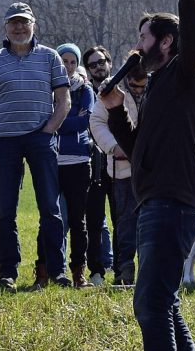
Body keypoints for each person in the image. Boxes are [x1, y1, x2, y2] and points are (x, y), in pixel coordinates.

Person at [99, 0, 195, 351]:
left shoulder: (189, 74)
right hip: (155, 202)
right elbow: (138, 149)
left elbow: (194, 34)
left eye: (143, 37)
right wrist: (115, 112)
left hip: (174, 203)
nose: (138, 44)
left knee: (149, 306)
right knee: (164, 302)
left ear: (165, 42)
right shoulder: (160, 87)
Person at [0, 2, 72, 292]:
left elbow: (64, 101)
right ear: (5, 28)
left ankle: (57, 272)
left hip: (40, 138)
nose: (19, 28)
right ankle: (7, 274)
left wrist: (48, 131)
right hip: (4, 142)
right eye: (13, 23)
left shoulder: (50, 57)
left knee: (49, 207)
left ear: (34, 25)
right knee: (5, 210)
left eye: (24, 22)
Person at [34, 42, 93, 288]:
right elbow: (40, 119)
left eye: (72, 61)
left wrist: (57, 120)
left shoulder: (85, 90)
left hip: (78, 162)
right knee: (48, 217)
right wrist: (68, 117)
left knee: (78, 221)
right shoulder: (44, 89)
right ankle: (43, 271)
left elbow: (83, 123)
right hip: (50, 160)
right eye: (63, 60)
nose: (68, 66)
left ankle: (79, 272)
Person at [89, 60, 147, 286]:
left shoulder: (159, 87)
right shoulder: (111, 88)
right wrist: (115, 147)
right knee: (124, 220)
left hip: (151, 170)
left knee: (150, 220)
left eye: (143, 86)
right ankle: (124, 269)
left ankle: (147, 267)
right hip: (122, 169)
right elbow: (97, 122)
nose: (139, 91)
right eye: (134, 86)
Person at [81, 45, 116, 281]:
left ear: (109, 63)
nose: (98, 67)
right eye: (92, 64)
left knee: (121, 218)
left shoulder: (119, 90)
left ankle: (123, 268)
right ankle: (96, 270)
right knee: (93, 220)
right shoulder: (84, 93)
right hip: (93, 165)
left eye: (101, 62)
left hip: (118, 162)